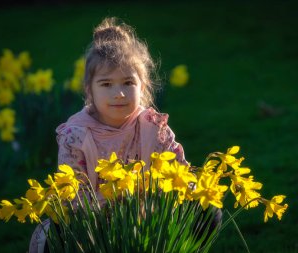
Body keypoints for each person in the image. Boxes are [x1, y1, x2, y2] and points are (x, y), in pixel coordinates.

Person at [28, 17, 187, 253]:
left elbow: (179, 171)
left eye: (127, 83)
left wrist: (191, 187)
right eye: (106, 84)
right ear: (89, 89)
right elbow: (73, 196)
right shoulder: (77, 135)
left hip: (146, 223)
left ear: (142, 87)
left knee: (208, 213)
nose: (119, 94)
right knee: (57, 233)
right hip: (94, 227)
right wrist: (116, 220)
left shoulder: (153, 127)